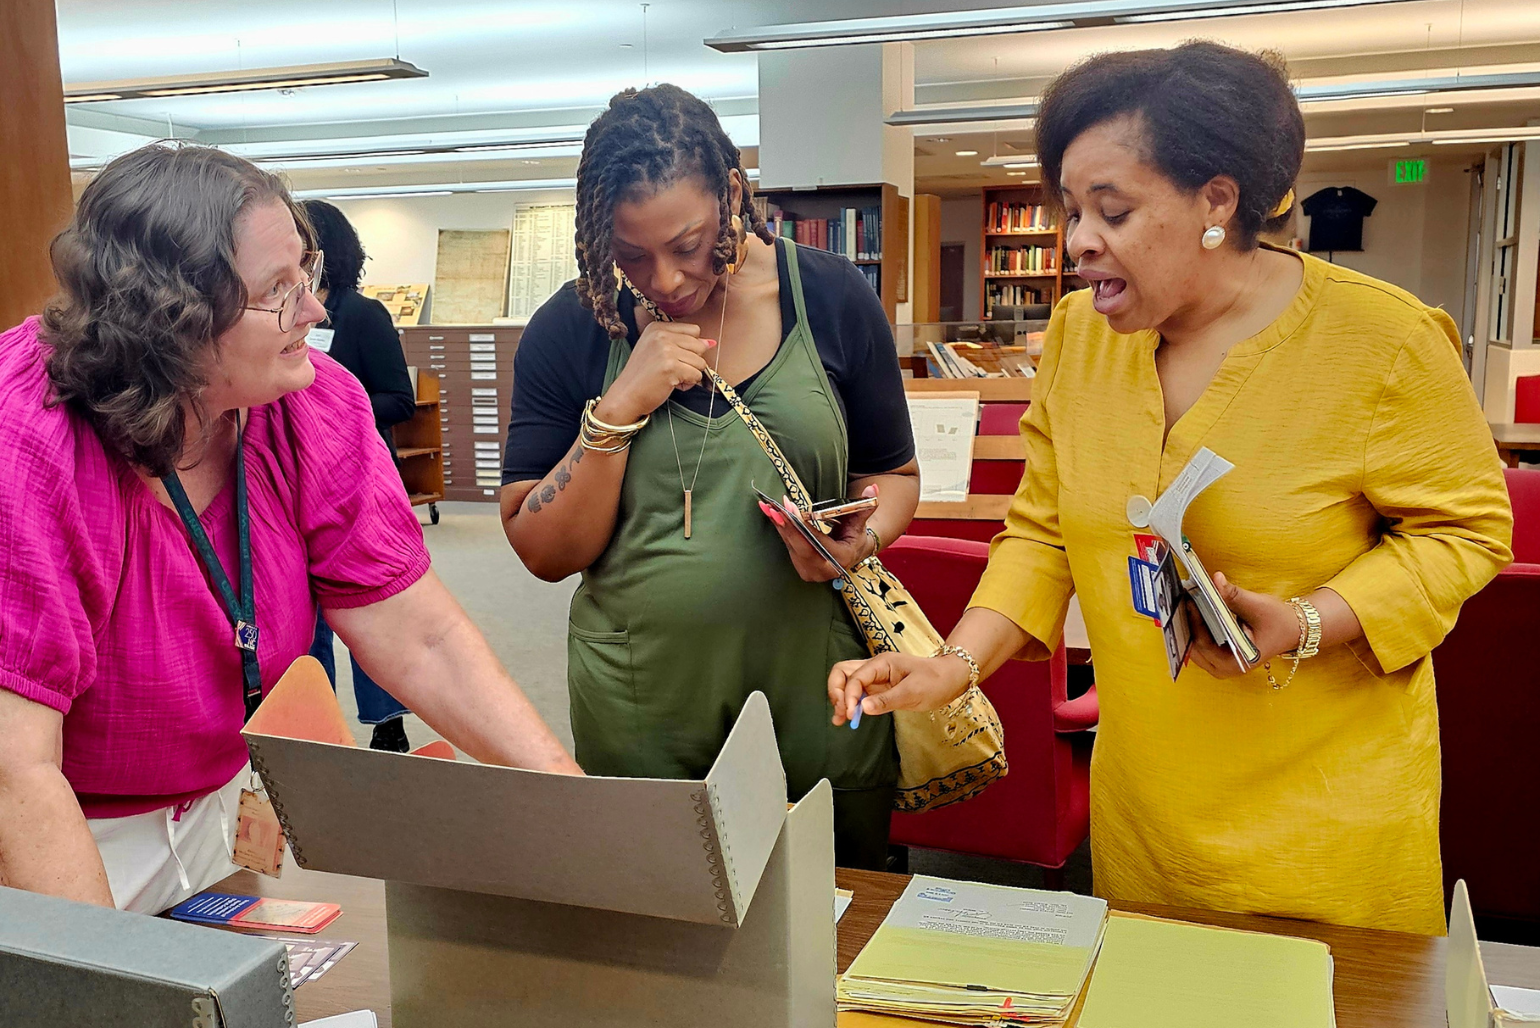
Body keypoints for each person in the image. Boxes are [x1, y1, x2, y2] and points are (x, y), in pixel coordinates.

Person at [827, 42, 1512, 933]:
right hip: (1145, 818)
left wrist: (1309, 621)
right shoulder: (1080, 337)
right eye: (1071, 210)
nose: (1077, 242)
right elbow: (1041, 534)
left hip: (1328, 833)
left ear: (1216, 202)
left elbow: (1466, 534)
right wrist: (952, 666)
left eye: (1111, 210)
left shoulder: (1383, 344)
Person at [0, 144, 580, 916]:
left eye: (305, 275)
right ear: (171, 319)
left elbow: (421, 637)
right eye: (277, 290)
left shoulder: (312, 403)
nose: (314, 311)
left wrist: (576, 807)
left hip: (211, 809)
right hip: (49, 839)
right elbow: (16, 773)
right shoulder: (27, 440)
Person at [499, 84, 919, 870]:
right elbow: (543, 549)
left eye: (688, 244)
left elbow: (892, 474)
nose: (665, 280)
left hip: (821, 690)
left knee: (843, 936)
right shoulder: (573, 327)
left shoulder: (829, 297)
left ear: (732, 193)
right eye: (631, 256)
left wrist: (865, 534)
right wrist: (620, 406)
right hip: (641, 710)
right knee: (664, 944)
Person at [299, 198, 417, 753]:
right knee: (305, 623)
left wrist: (331, 403)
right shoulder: (276, 317)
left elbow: (401, 399)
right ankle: (314, 724)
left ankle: (387, 721)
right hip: (293, 487)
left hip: (356, 483)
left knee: (366, 609)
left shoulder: (362, 316)